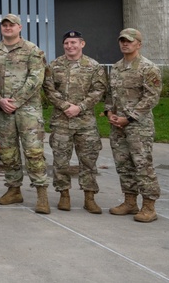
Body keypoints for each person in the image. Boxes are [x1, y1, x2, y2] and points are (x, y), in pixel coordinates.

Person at [0, 13, 50, 214]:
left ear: (20, 27)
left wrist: (16, 101)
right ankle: (14, 190)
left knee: (34, 151)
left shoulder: (32, 51)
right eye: (4, 25)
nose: (8, 27)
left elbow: (36, 79)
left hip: (28, 111)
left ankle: (42, 194)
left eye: (12, 25)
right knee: (7, 152)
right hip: (2, 110)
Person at [43, 30, 106, 214]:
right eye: (66, 43)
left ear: (82, 44)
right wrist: (64, 106)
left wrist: (80, 107)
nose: (70, 46)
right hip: (61, 121)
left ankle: (89, 197)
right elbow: (48, 88)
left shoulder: (93, 66)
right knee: (60, 161)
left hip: (85, 123)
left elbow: (98, 90)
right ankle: (64, 195)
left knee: (88, 162)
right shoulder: (54, 65)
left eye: (73, 43)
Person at [106, 28, 162, 222]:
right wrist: (109, 112)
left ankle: (149, 206)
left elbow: (151, 97)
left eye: (129, 41)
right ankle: (130, 202)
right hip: (118, 126)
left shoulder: (148, 68)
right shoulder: (116, 67)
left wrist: (128, 118)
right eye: (122, 40)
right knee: (123, 164)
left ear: (139, 44)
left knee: (142, 164)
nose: (125, 44)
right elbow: (110, 94)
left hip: (139, 126)